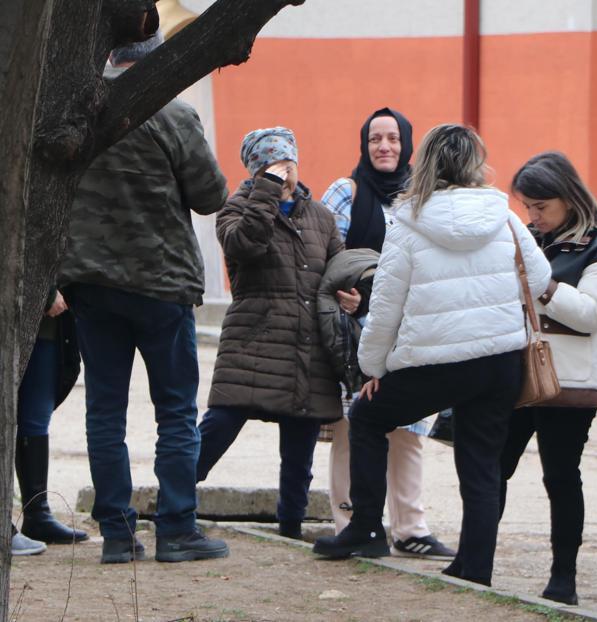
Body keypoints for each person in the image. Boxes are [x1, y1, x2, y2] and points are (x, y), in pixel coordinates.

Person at [313, 124, 552, 589]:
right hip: (499, 359)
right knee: (482, 461)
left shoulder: (407, 220)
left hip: (436, 361)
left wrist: (373, 369)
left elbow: (385, 305)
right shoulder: (502, 214)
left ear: (425, 164)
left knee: (365, 418)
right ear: (474, 164)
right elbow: (539, 280)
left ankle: (364, 527)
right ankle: (475, 567)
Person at [59, 31, 230, 564]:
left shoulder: (77, 111)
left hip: (90, 282)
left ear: (110, 54)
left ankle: (115, 534)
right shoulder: (173, 112)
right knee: (175, 411)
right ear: (156, 59)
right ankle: (177, 529)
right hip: (161, 282)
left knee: (104, 410)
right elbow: (211, 196)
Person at [196, 127, 344, 541]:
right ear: (256, 169)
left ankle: (292, 527)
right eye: (272, 165)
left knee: (300, 448)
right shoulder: (236, 209)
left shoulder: (320, 216)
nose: (284, 172)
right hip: (253, 340)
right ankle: (174, 500)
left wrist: (353, 293)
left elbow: (336, 270)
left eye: (288, 163)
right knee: (217, 428)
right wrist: (266, 192)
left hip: (306, 346)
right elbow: (246, 246)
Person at [320, 107, 454, 559]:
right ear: (364, 143)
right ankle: (351, 523)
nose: (384, 147)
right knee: (350, 427)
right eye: (376, 138)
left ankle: (410, 528)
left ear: (407, 144)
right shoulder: (346, 191)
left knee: (410, 430)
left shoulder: (422, 197)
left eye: (393, 139)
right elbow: (324, 254)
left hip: (408, 329)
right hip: (354, 331)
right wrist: (345, 292)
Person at [500, 151, 597, 605]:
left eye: (542, 207)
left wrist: (544, 286)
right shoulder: (534, 240)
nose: (533, 217)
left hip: (570, 386)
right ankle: (474, 561)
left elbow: (592, 314)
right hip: (520, 376)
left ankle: (564, 577)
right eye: (528, 207)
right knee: (492, 468)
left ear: (569, 199)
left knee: (560, 476)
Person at [12, 288, 86, 556]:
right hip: (19, 312)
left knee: (35, 417)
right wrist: (43, 292)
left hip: (49, 323)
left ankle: (37, 514)